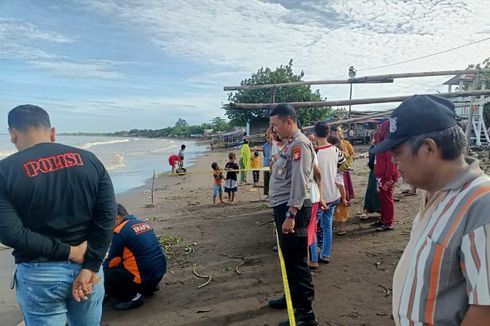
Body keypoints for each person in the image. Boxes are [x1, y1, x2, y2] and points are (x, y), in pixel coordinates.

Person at [370, 94, 490, 326]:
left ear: (428, 149)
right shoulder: (435, 193)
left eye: (398, 153)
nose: (394, 161)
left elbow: (485, 310)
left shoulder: (481, 204)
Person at [0, 105, 116, 325]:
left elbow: (11, 234)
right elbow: (107, 217)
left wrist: (69, 252)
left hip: (40, 275)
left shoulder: (4, 171)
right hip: (88, 270)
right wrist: (91, 263)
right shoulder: (89, 159)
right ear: (52, 132)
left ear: (12, 134)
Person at [267, 103, 318, 326]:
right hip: (284, 207)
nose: (274, 130)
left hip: (293, 209)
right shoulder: (288, 145)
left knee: (297, 262)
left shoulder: (300, 145)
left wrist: (291, 213)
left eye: (276, 125)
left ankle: (305, 315)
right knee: (289, 259)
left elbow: (300, 182)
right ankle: (291, 298)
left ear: (289, 121)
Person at [104, 204, 166, 310]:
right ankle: (149, 288)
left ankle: (133, 297)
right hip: (158, 274)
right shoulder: (143, 223)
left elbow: (111, 263)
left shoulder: (120, 231)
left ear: (116, 218)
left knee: (105, 273)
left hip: (142, 279)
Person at [310, 122, 346, 264]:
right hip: (333, 194)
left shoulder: (314, 152)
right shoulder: (335, 150)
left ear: (315, 133)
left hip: (319, 196)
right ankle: (325, 254)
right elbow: (341, 165)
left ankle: (313, 257)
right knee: (327, 226)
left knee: (312, 227)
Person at [373, 120, 400, 231]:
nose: (379, 130)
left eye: (381, 128)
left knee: (387, 198)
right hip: (382, 176)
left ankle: (388, 222)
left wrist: (388, 179)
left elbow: (391, 164)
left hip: (387, 177)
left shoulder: (389, 146)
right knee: (383, 198)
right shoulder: (383, 143)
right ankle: (384, 219)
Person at [328, 134, 350, 236]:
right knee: (341, 207)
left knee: (337, 206)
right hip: (342, 181)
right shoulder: (342, 154)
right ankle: (341, 228)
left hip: (336, 183)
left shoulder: (332, 153)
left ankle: (336, 227)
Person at [359, 138, 381, 220]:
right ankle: (368, 209)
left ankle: (379, 210)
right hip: (375, 170)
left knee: (376, 191)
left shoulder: (377, 146)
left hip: (379, 170)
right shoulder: (375, 146)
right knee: (372, 190)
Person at [263, 129, 272, 196]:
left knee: (272, 181)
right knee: (266, 180)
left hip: (273, 166)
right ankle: (267, 194)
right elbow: (264, 155)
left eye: (269, 137)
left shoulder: (275, 145)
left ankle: (272, 194)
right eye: (267, 137)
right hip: (266, 165)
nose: (268, 139)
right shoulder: (264, 146)